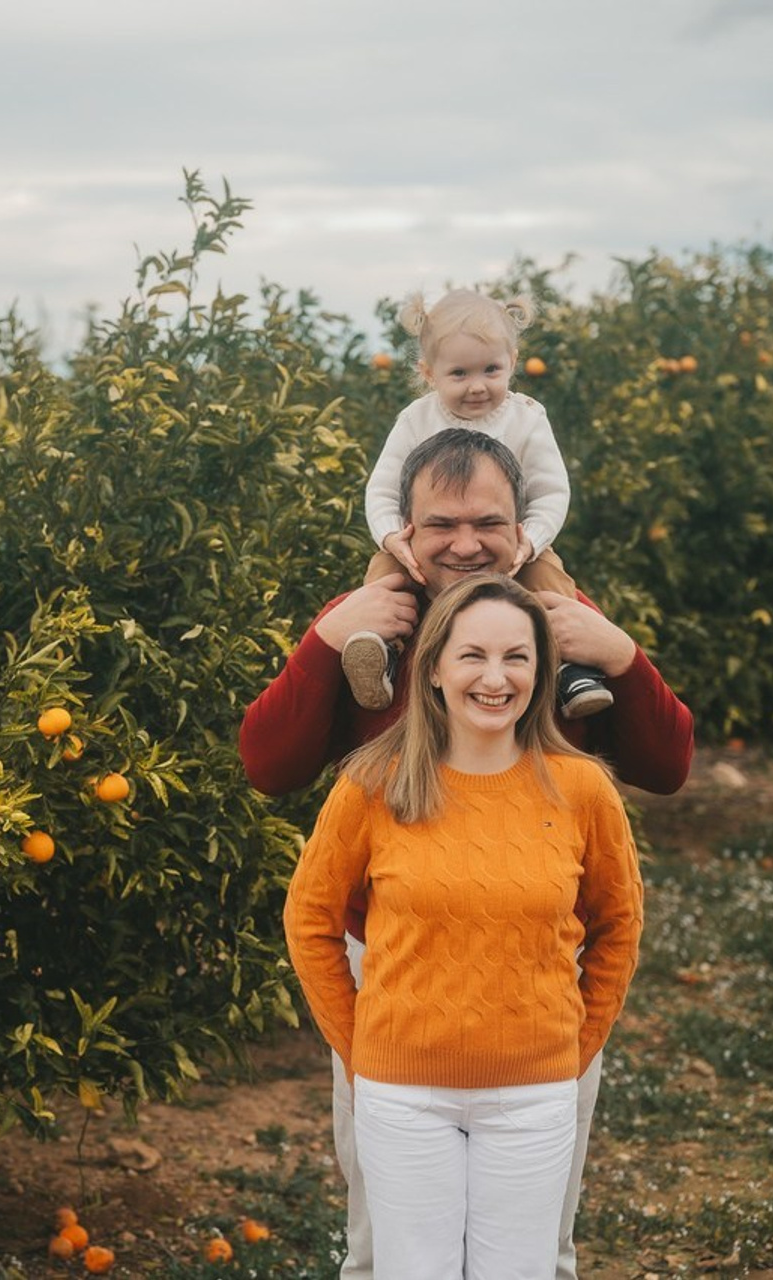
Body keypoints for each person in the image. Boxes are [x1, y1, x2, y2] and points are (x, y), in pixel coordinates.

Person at [239, 429, 693, 1280]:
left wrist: (623, 658)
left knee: (534, 1248)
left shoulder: (553, 630)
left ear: (523, 527)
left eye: (488, 520)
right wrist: (328, 640)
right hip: (400, 976)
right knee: (389, 1247)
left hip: (537, 980)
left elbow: (668, 768)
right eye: (440, 524)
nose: (466, 542)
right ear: (402, 534)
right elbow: (268, 766)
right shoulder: (375, 627)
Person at [284, 573, 644, 1278]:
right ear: (436, 668)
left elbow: (619, 924)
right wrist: (360, 1049)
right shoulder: (372, 783)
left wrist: (574, 1047)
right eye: (473, 654)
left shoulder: (582, 789)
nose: (495, 676)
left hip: (535, 1094)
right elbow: (309, 918)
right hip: (401, 1096)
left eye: (517, 657)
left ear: (540, 674)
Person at [344, 289, 611, 720]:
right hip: (423, 547)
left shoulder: (526, 418)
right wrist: (393, 537)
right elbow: (382, 490)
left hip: (512, 547)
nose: (477, 386)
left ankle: (570, 667)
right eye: (459, 374)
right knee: (383, 580)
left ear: (513, 361)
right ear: (429, 373)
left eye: (491, 369)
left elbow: (551, 492)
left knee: (551, 582)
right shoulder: (416, 420)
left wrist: (532, 542)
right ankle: (380, 653)